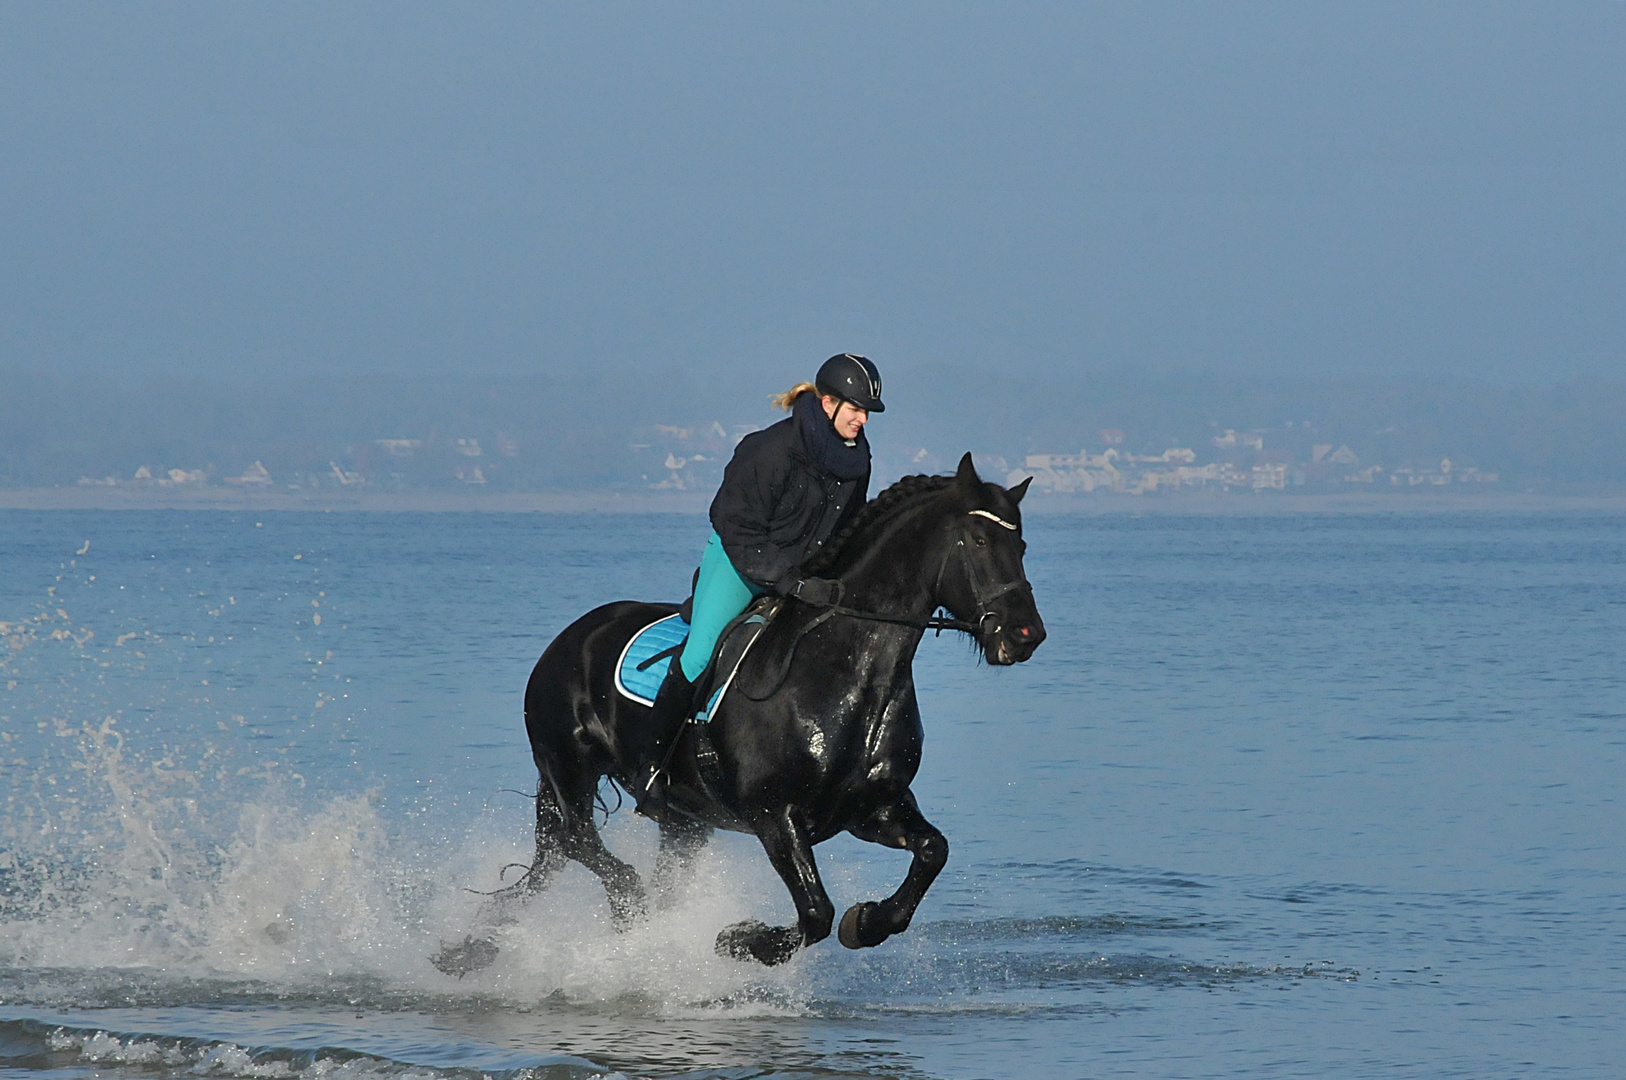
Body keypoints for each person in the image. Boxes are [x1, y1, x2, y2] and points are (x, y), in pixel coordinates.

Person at [642, 353, 885, 796]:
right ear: (827, 404)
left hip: (798, 571)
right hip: (739, 561)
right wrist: (785, 580)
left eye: (867, 412)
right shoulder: (768, 450)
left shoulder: (856, 462)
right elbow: (734, 523)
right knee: (699, 656)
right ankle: (653, 770)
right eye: (855, 409)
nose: (863, 420)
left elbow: (846, 529)